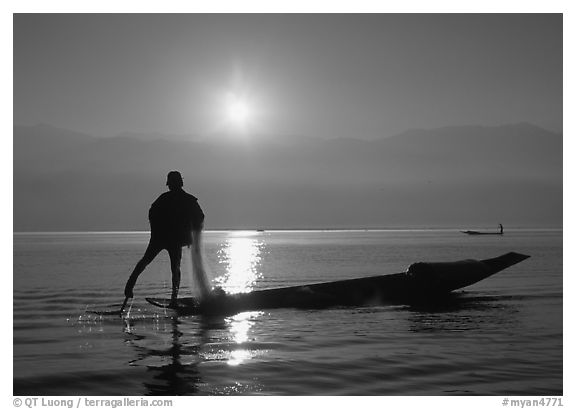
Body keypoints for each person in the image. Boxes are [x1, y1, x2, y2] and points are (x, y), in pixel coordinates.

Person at [123, 171, 205, 306]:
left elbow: (199, 217)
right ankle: (131, 287)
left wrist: (189, 233)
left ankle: (172, 298)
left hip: (168, 239)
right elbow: (152, 213)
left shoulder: (185, 200)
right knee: (165, 266)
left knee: (168, 266)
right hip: (164, 238)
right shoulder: (181, 200)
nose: (171, 187)